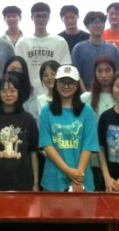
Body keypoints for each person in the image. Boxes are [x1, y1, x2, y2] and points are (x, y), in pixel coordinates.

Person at [39, 64, 98, 192]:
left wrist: (78, 176)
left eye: (71, 82)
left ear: (77, 85)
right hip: (53, 181)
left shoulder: (87, 111)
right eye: (62, 82)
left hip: (82, 179)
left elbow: (89, 145)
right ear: (56, 83)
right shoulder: (46, 111)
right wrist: (68, 171)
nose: (66, 86)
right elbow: (47, 145)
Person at [0, 72, 40, 191]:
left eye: (12, 91)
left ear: (19, 93)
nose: (8, 94)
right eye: (4, 91)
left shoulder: (28, 119)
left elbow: (33, 153)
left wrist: (36, 183)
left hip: (23, 183)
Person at [15, 2, 71, 93]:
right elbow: (18, 71)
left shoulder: (60, 42)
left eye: (44, 16)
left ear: (49, 17)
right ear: (32, 17)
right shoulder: (22, 43)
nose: (41, 19)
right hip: (30, 93)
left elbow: (65, 69)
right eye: (37, 16)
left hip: (55, 93)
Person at [81, 56, 118, 190]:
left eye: (107, 70)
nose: (103, 75)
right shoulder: (85, 98)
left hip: (115, 155)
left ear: (114, 72)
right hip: (90, 157)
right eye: (99, 71)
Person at [70, 11, 119, 91]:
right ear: (87, 26)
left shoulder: (113, 49)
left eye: (101, 22)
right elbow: (75, 73)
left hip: (110, 94)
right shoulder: (79, 48)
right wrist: (84, 93)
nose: (98, 25)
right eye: (94, 23)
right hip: (86, 93)